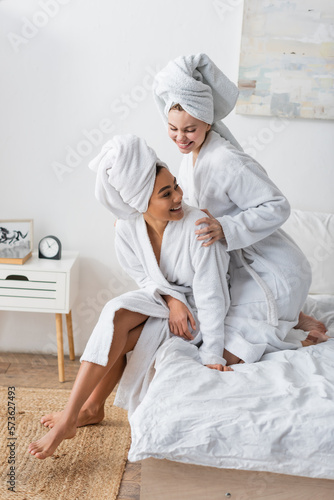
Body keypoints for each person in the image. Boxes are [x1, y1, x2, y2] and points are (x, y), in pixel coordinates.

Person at [29, 134, 255, 460]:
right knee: (115, 313)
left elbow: (212, 294)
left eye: (176, 186)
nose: (179, 196)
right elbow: (144, 276)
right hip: (165, 300)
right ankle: (81, 410)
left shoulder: (199, 226)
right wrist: (170, 299)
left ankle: (86, 409)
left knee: (128, 333)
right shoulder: (126, 228)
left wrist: (213, 356)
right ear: (140, 203)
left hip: (200, 311)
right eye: (167, 193)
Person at [153, 53, 329, 350]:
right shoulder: (192, 156)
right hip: (236, 267)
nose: (180, 138)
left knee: (228, 347)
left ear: (207, 124)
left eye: (189, 129)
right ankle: (297, 318)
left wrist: (225, 228)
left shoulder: (225, 159)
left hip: (272, 269)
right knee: (207, 324)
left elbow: (277, 205)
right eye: (173, 129)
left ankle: (299, 332)